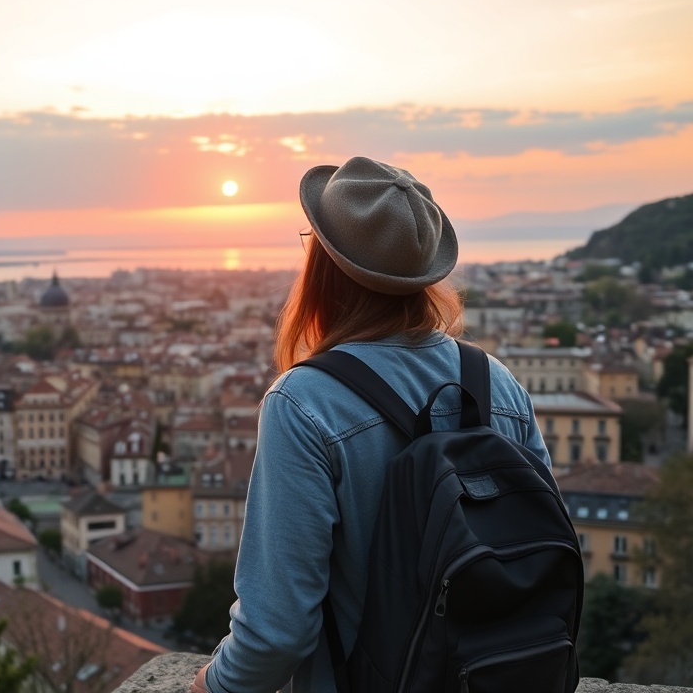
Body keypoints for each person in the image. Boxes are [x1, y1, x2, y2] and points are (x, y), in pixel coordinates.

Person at [190, 157, 549, 693]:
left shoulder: (305, 402)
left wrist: (209, 685)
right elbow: (543, 554)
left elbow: (277, 632)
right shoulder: (499, 385)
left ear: (323, 268)